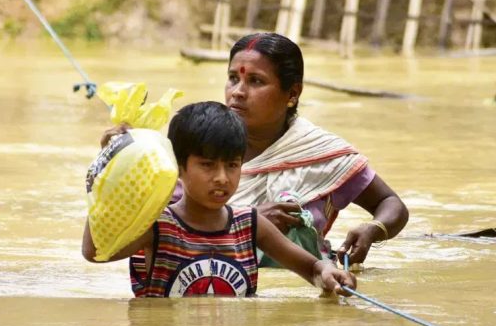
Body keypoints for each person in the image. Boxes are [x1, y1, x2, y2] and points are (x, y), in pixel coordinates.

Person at [101, 32, 408, 266]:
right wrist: (121, 157)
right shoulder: (189, 147)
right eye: (233, 78)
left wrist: (373, 229)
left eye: (256, 81)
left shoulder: (324, 154)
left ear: (292, 94)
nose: (237, 92)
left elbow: (391, 203)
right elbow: (138, 230)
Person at [83, 101, 356, 298]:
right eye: (208, 165)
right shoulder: (159, 227)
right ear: (179, 168)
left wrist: (328, 273)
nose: (222, 178)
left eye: (232, 165)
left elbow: (311, 268)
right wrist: (108, 177)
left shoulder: (251, 225)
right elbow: (95, 253)